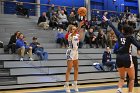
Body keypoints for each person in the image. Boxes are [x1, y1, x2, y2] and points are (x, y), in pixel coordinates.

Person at [103, 16, 140, 93]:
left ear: (123, 30)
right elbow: (138, 46)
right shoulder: (130, 37)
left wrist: (107, 20)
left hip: (119, 57)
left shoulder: (119, 35)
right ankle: (130, 92)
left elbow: (113, 27)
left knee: (122, 78)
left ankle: (119, 89)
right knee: (132, 78)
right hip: (127, 57)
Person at [64, 21, 84, 92]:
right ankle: (66, 85)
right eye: (73, 29)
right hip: (70, 51)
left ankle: (75, 84)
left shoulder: (76, 35)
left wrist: (81, 30)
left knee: (76, 68)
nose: (74, 30)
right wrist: (79, 26)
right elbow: (75, 32)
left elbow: (81, 37)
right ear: (70, 30)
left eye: (74, 29)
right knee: (69, 68)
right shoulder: (70, 35)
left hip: (76, 52)